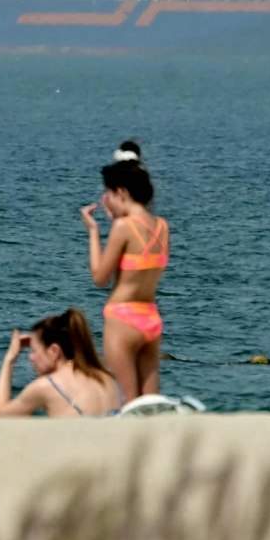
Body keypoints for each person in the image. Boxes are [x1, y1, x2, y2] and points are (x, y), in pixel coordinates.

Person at [82, 140, 168, 401]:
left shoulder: (122, 228)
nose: (106, 200)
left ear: (120, 192)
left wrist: (93, 232)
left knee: (128, 403)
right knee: (150, 406)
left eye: (108, 193)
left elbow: (100, 277)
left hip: (123, 319)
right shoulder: (162, 227)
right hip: (150, 318)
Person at [0, 307, 124, 417]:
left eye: (34, 350)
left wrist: (9, 358)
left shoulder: (47, 385)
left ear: (54, 351)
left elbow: (1, 416)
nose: (31, 357)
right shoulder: (106, 377)